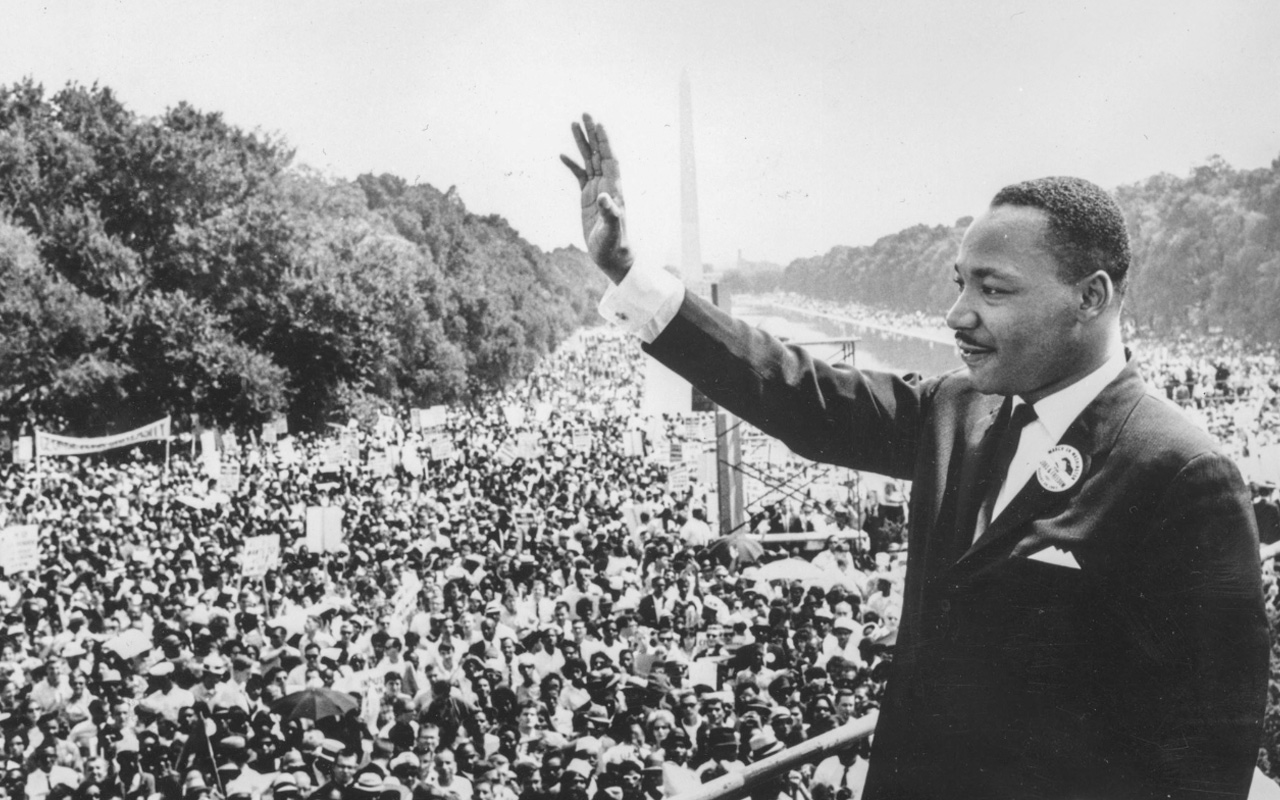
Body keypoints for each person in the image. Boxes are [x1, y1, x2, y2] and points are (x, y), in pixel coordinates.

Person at [562, 114, 1269, 799]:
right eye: (958, 283)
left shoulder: (1182, 473)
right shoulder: (956, 408)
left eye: (992, 289)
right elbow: (797, 395)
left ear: (1091, 298)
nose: (958, 314)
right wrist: (629, 273)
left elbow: (1208, 761)